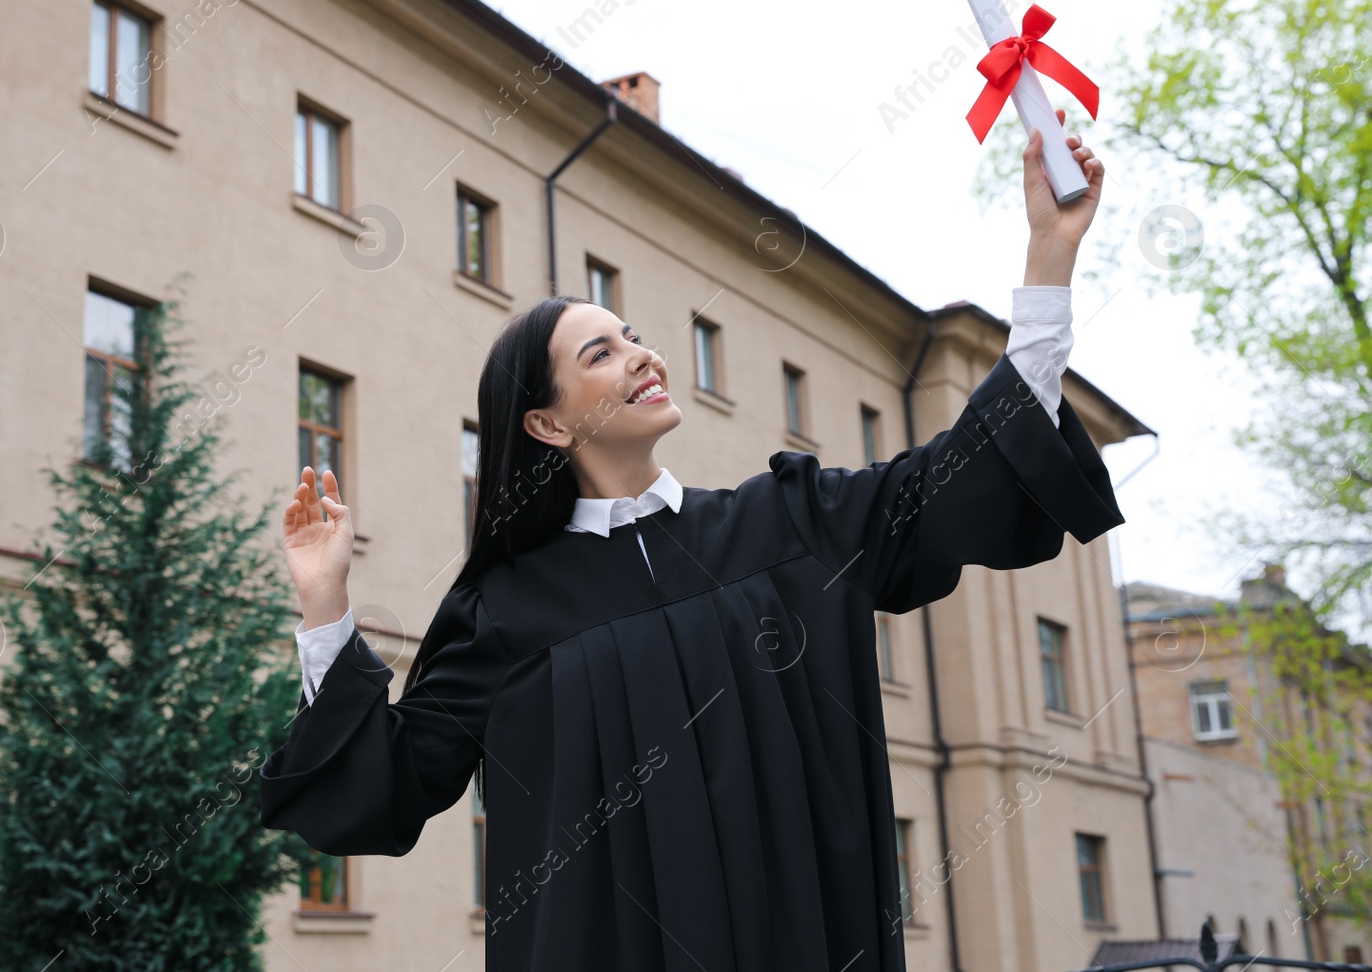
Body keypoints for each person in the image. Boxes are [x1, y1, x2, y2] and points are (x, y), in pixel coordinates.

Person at [259, 113, 1123, 971]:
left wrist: (1049, 258)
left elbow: (956, 478)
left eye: (635, 337)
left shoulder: (788, 524)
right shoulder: (505, 615)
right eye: (602, 352)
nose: (644, 356)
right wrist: (327, 603)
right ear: (548, 422)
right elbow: (387, 785)